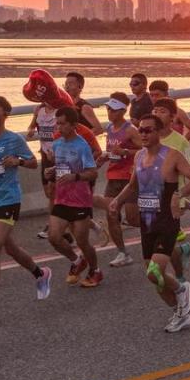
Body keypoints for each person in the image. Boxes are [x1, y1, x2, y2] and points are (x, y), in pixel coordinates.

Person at [110, 113, 190, 332]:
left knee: (155, 272)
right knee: (155, 279)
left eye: (148, 130)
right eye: (140, 129)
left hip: (167, 220)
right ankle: (180, 312)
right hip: (147, 221)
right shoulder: (139, 156)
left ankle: (182, 289)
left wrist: (179, 194)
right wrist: (117, 201)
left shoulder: (172, 155)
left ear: (159, 132)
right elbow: (133, 186)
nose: (142, 133)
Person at [0, 96, 53, 314]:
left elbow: (34, 163)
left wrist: (18, 161)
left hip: (9, 199)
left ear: (6, 114)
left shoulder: (14, 140)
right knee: (10, 248)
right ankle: (40, 274)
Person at [44, 106, 103, 288]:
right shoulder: (57, 143)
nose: (59, 128)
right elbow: (61, 166)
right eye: (57, 124)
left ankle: (95, 270)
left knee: (82, 241)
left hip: (79, 200)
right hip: (62, 198)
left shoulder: (82, 146)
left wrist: (75, 176)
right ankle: (77, 261)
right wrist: (51, 171)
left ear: (73, 125)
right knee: (53, 237)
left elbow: (93, 173)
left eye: (62, 124)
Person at [152, 98, 190, 277]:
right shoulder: (148, 138)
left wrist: (179, 194)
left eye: (162, 111)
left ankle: (179, 279)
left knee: (164, 243)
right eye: (155, 110)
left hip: (172, 199)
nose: (157, 114)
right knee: (163, 241)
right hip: (151, 198)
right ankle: (182, 253)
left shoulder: (180, 142)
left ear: (173, 117)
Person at [97, 92, 144, 267]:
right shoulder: (109, 128)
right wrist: (104, 158)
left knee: (132, 219)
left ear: (123, 111)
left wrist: (126, 153)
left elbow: (146, 149)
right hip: (113, 177)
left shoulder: (130, 130)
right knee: (111, 213)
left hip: (129, 178)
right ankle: (123, 253)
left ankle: (161, 227)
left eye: (113, 110)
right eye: (108, 109)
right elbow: (111, 150)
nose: (110, 112)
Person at [26, 101, 58, 240]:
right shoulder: (39, 109)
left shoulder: (59, 110)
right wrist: (31, 130)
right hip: (45, 155)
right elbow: (31, 127)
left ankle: (53, 225)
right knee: (48, 192)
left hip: (57, 155)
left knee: (53, 192)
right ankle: (61, 223)